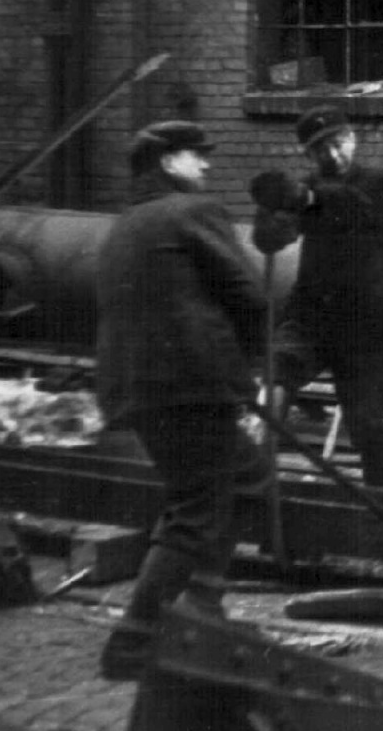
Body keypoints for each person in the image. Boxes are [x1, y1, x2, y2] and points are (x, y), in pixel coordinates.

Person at [94, 121, 270, 680]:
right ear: (169, 162)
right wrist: (252, 378)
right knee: (197, 510)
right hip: (194, 387)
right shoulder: (192, 212)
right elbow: (249, 294)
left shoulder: (125, 225)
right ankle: (136, 637)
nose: (207, 167)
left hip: (138, 389)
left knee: (244, 477)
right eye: (198, 157)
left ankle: (202, 610)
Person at [252, 108, 383, 488]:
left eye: (337, 144)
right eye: (321, 151)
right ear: (308, 156)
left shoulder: (374, 184)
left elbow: (347, 206)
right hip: (312, 317)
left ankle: (382, 518)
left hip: (365, 326)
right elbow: (275, 237)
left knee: (372, 431)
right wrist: (268, 220)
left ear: (352, 138)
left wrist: (300, 197)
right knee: (276, 371)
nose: (333, 156)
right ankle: (254, 474)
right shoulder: (307, 190)